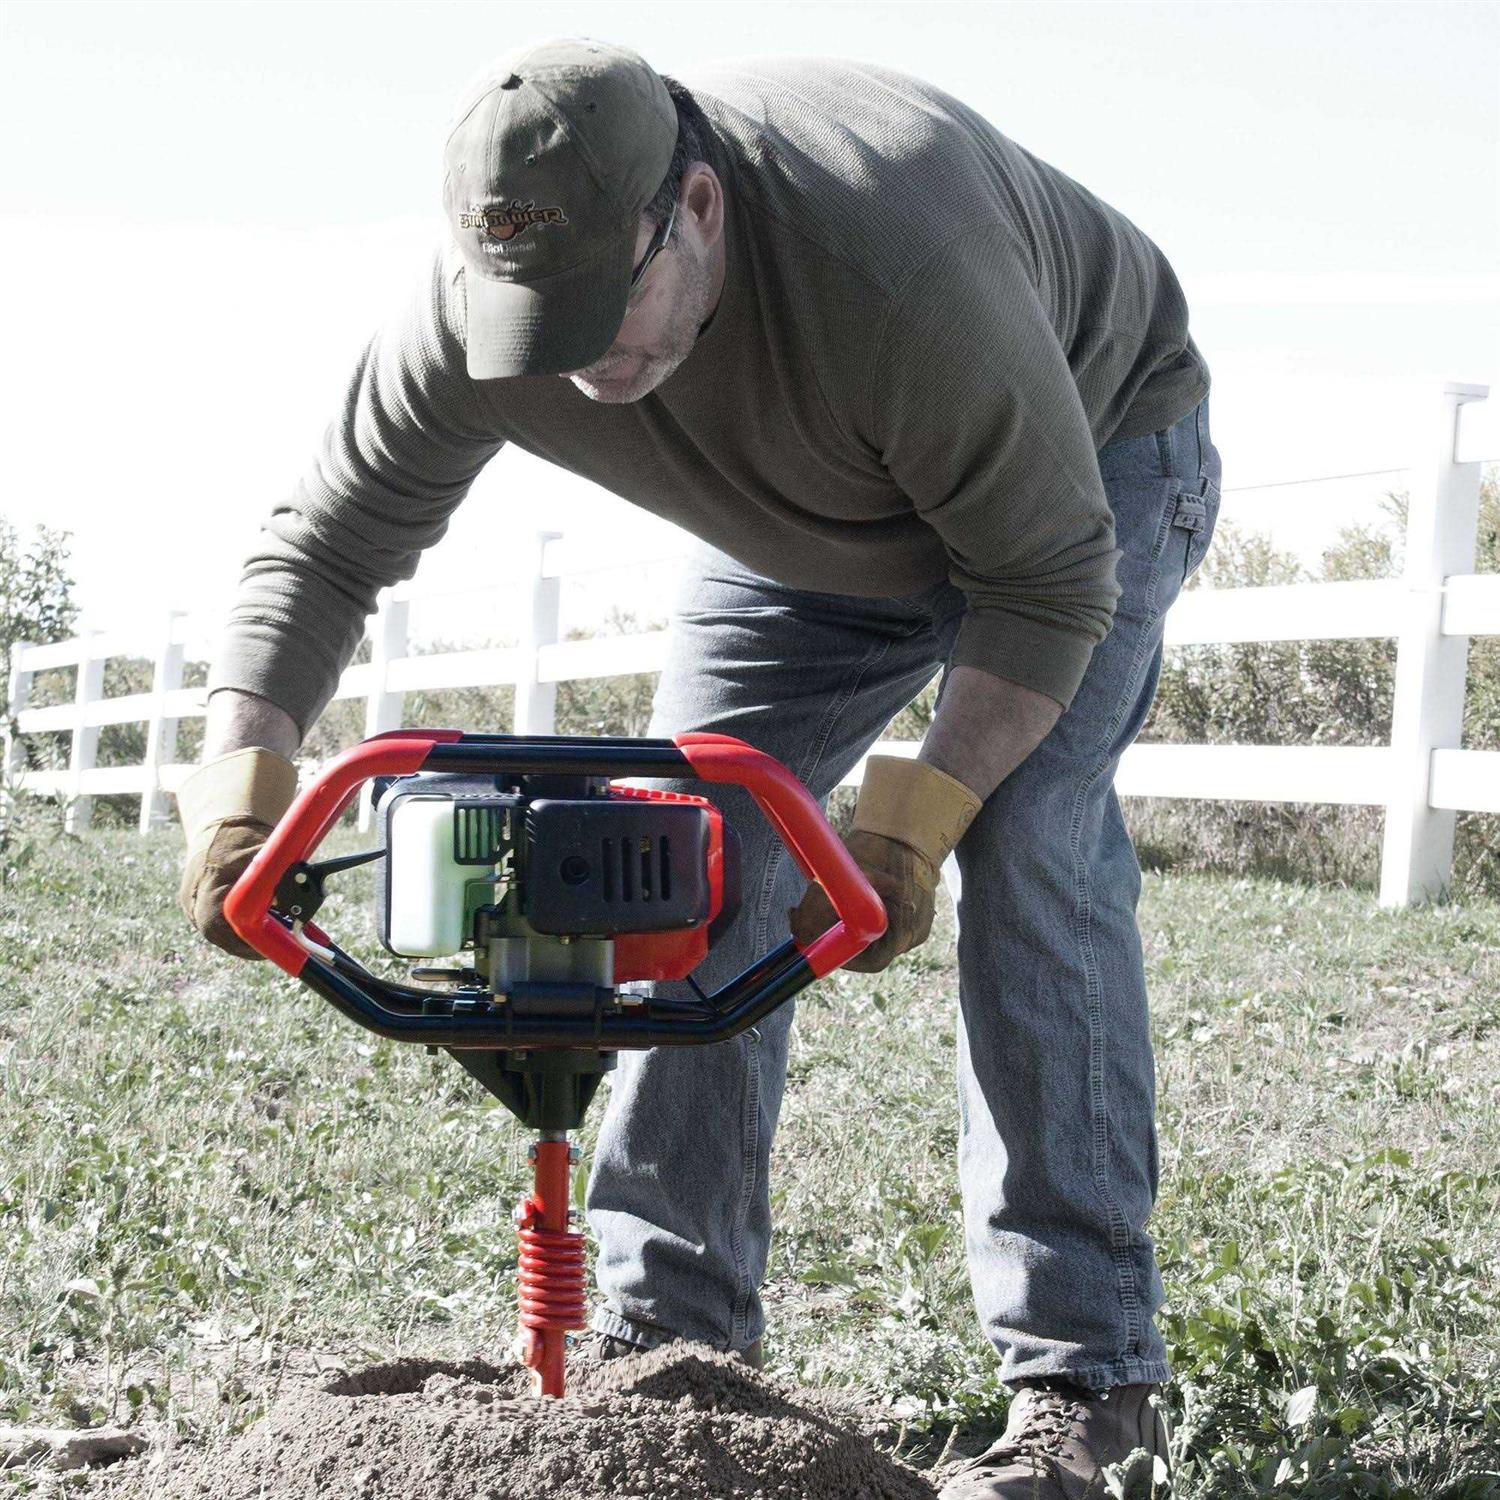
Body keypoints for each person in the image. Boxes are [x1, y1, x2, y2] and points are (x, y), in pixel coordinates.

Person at [175, 38, 1221, 1498]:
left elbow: (1046, 585)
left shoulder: (897, 269)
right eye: (542, 324)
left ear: (702, 209)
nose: (593, 365)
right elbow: (326, 544)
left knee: (1029, 847)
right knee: (683, 851)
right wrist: (242, 787)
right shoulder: (478, 313)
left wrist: (914, 824)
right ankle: (673, 1345)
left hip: (1090, 459)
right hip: (808, 533)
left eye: (612, 309)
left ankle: (1089, 1388)